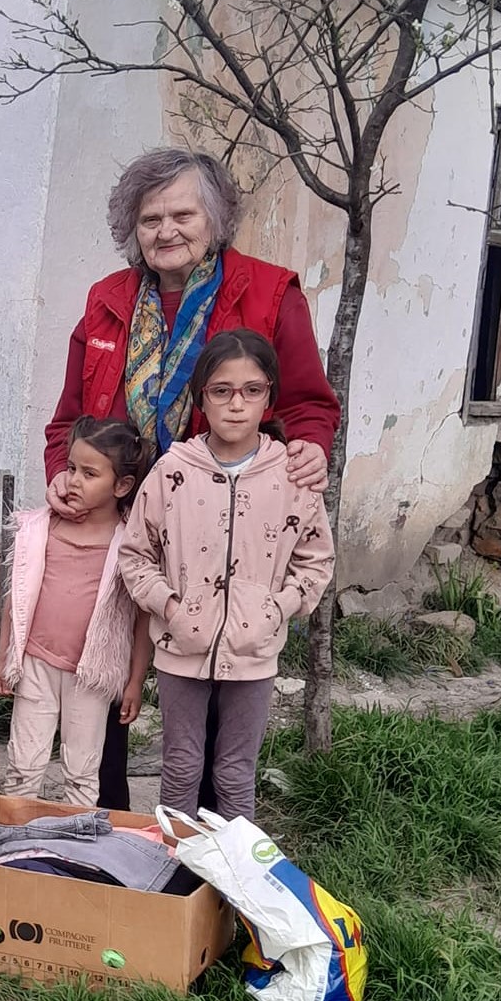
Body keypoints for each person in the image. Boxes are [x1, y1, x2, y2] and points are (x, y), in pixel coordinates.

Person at [42, 147, 339, 810]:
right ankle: (107, 822)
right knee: (103, 676)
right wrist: (64, 475)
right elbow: (68, 418)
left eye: (183, 214)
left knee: (207, 686)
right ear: (132, 227)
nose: (166, 230)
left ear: (216, 218)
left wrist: (311, 449)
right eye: (150, 218)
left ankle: (205, 838)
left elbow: (308, 405)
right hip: (118, 521)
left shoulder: (269, 292)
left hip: (220, 527)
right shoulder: (108, 300)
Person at [119, 330, 334, 821]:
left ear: (269, 396)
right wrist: (171, 607)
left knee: (236, 773)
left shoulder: (292, 476)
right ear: (201, 398)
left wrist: (276, 608)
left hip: (255, 652)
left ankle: (232, 870)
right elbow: (135, 554)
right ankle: (175, 866)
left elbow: (316, 558)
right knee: (180, 766)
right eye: (222, 391)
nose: (237, 405)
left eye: (252, 390)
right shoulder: (172, 472)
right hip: (179, 649)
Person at [0, 417, 154, 806]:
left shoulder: (128, 545)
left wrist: (134, 681)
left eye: (89, 473)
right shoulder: (40, 529)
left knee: (82, 773)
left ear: (122, 486)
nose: (74, 480)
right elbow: (17, 598)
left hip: (91, 676)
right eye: (72, 468)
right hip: (36, 664)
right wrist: (3, 658)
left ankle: (76, 839)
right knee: (22, 766)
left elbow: (141, 620)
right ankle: (13, 835)